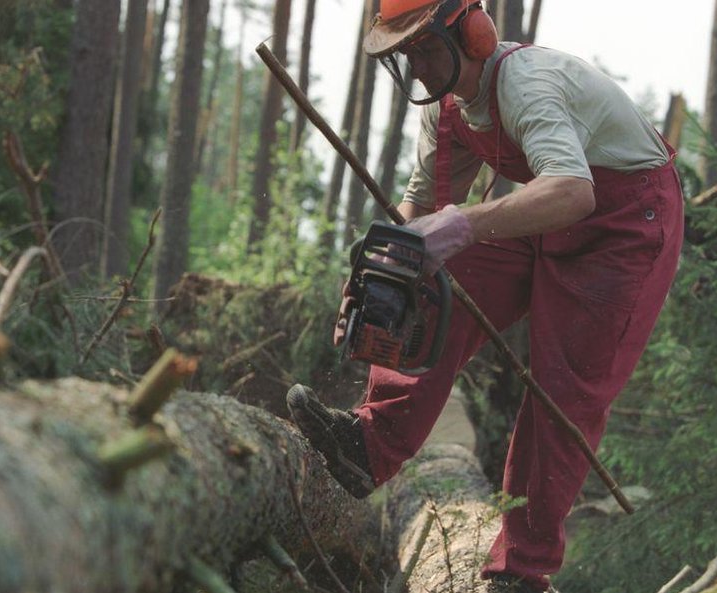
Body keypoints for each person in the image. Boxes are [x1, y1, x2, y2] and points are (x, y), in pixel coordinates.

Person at [286, 1, 684, 591]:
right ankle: (367, 446)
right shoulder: (448, 107)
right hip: (551, 210)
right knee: (434, 275)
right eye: (406, 55)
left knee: (560, 392)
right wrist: (379, 276)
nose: (417, 67)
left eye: (424, 48)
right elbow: (423, 205)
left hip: (626, 223)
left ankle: (521, 571)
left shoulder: (528, 83)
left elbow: (573, 190)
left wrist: (465, 224)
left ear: (471, 33)